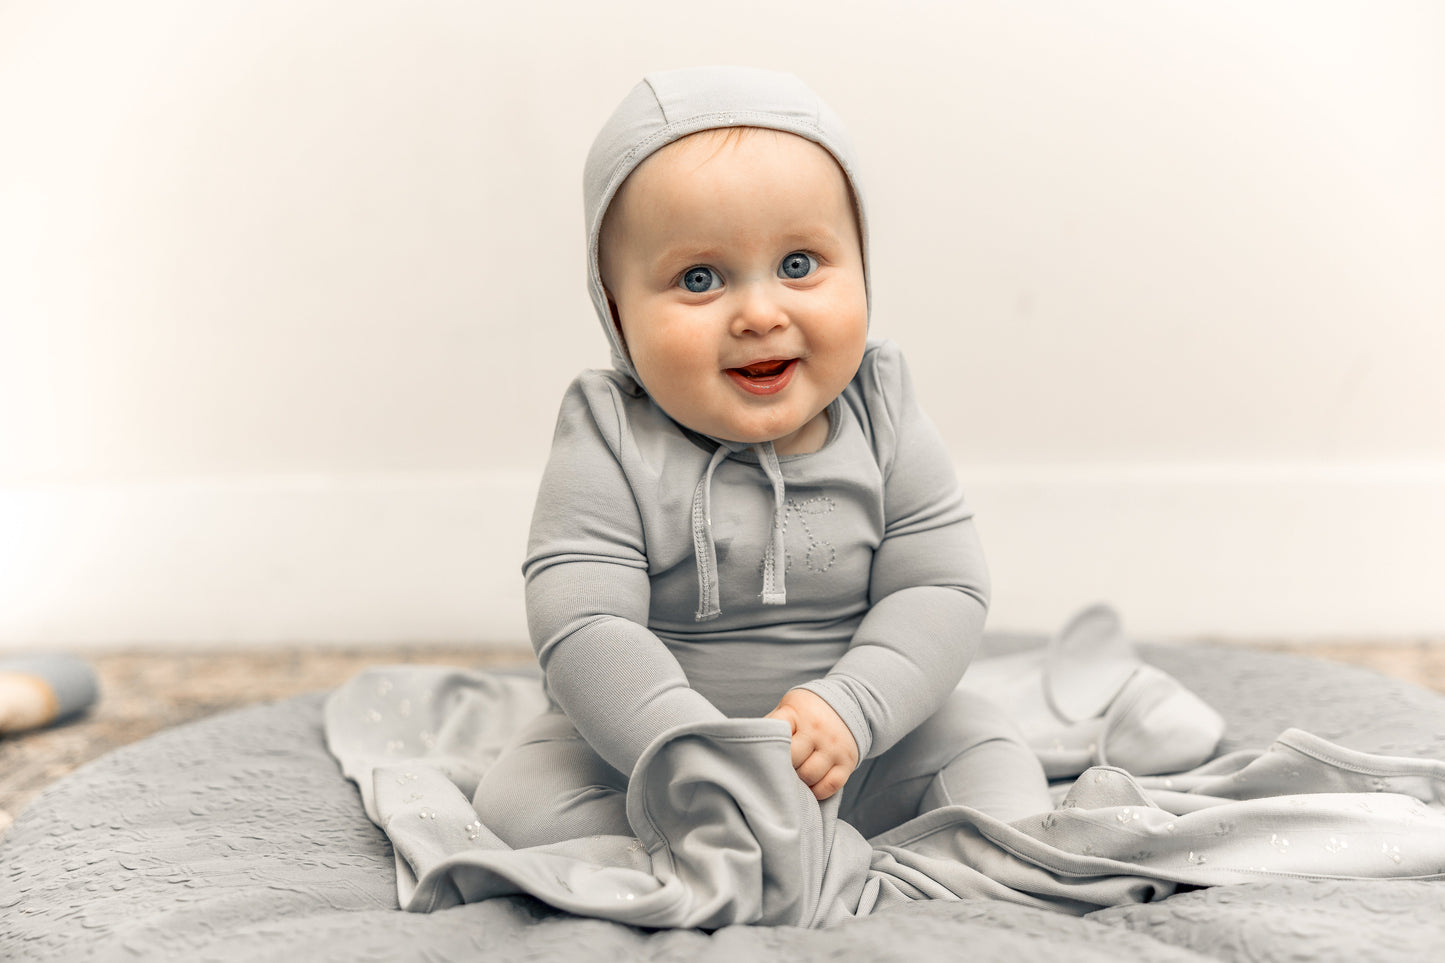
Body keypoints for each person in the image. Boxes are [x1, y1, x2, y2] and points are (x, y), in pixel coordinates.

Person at [474, 66, 1051, 847]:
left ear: (862, 269)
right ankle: (706, 850)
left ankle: (846, 859)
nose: (759, 312)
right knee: (520, 799)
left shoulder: (879, 406)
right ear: (615, 312)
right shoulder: (608, 431)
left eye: (799, 265)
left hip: (858, 752)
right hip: (655, 759)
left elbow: (941, 586)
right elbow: (584, 624)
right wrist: (694, 753)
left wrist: (854, 706)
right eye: (699, 278)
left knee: (989, 755)